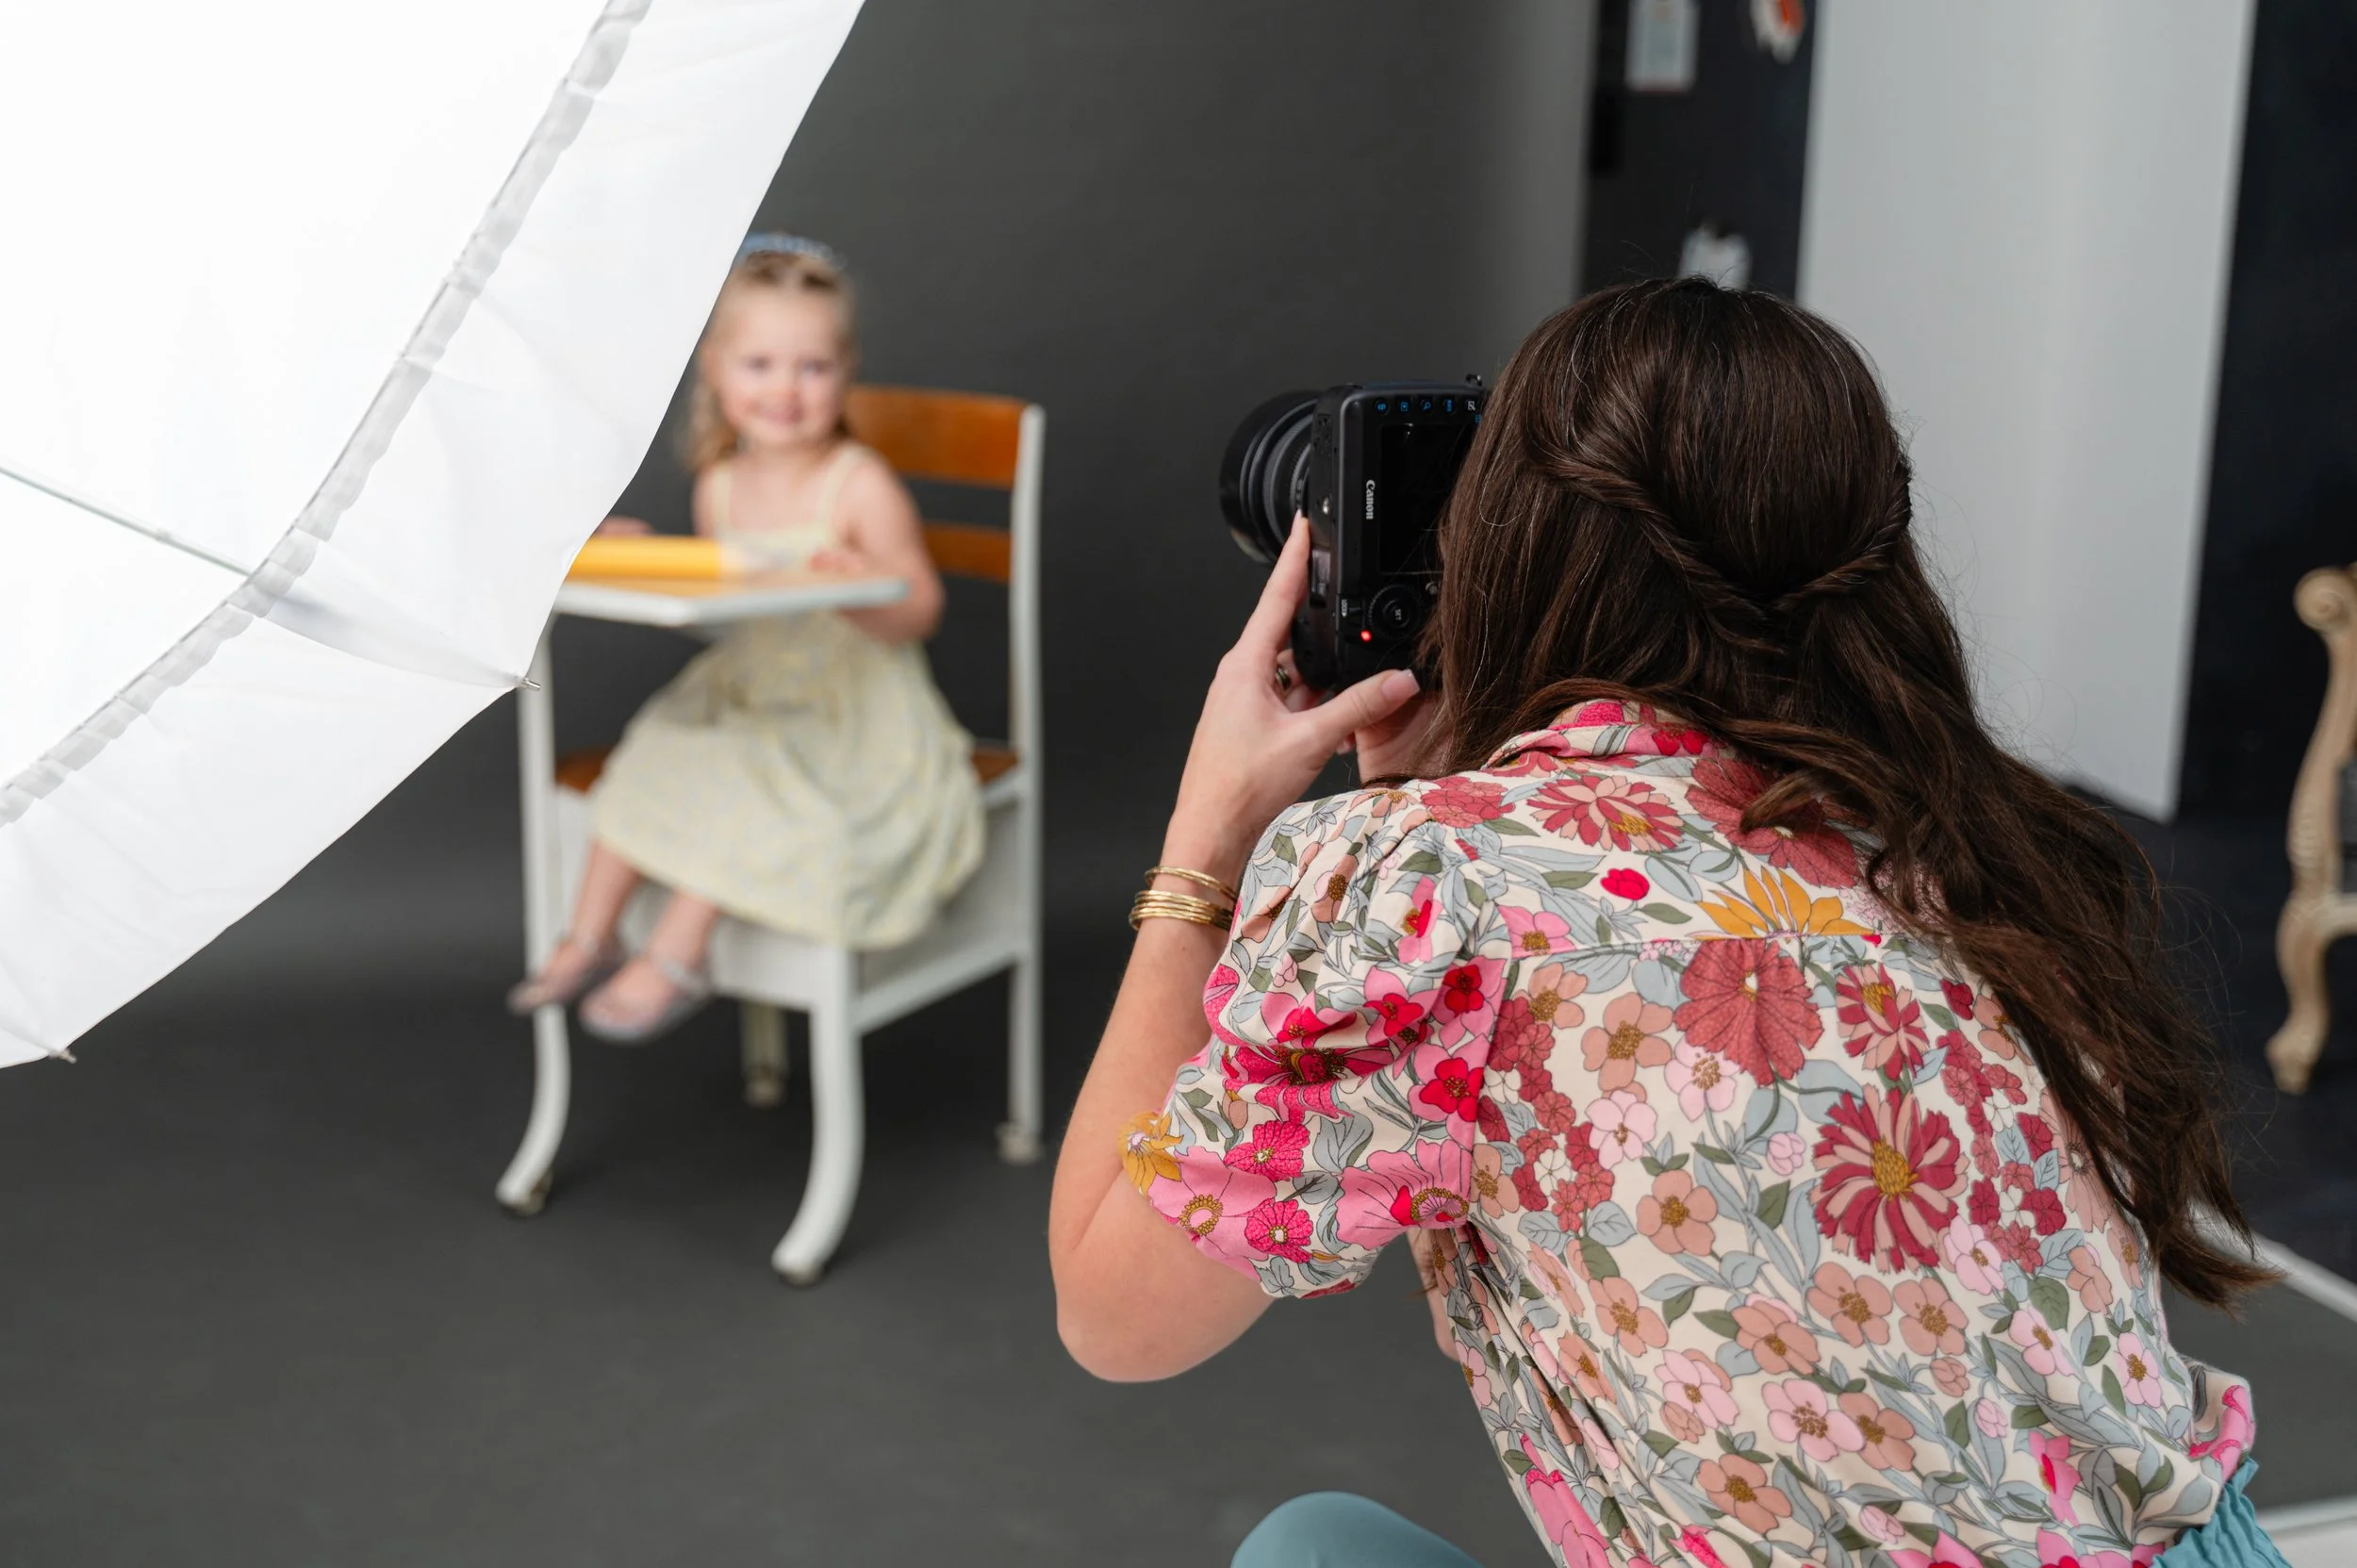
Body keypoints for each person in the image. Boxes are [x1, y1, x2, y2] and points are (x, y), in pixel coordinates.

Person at [1048, 279, 2289, 1567]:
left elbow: (1112, 1310)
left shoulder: (1435, 889)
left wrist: (1207, 838)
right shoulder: (1975, 844)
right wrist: (1440, 795)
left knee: (1309, 1551)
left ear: (1508, 537)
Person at [508, 236, 982, 1041]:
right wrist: (636, 559)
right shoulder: (719, 486)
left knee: (748, 770)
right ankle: (588, 935)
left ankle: (675, 952)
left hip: (852, 708)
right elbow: (728, 606)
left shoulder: (857, 483)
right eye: (759, 365)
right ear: (717, 371)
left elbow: (922, 610)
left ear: (846, 370)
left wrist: (859, 588)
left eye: (812, 367)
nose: (784, 390)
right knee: (659, 744)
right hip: (754, 684)